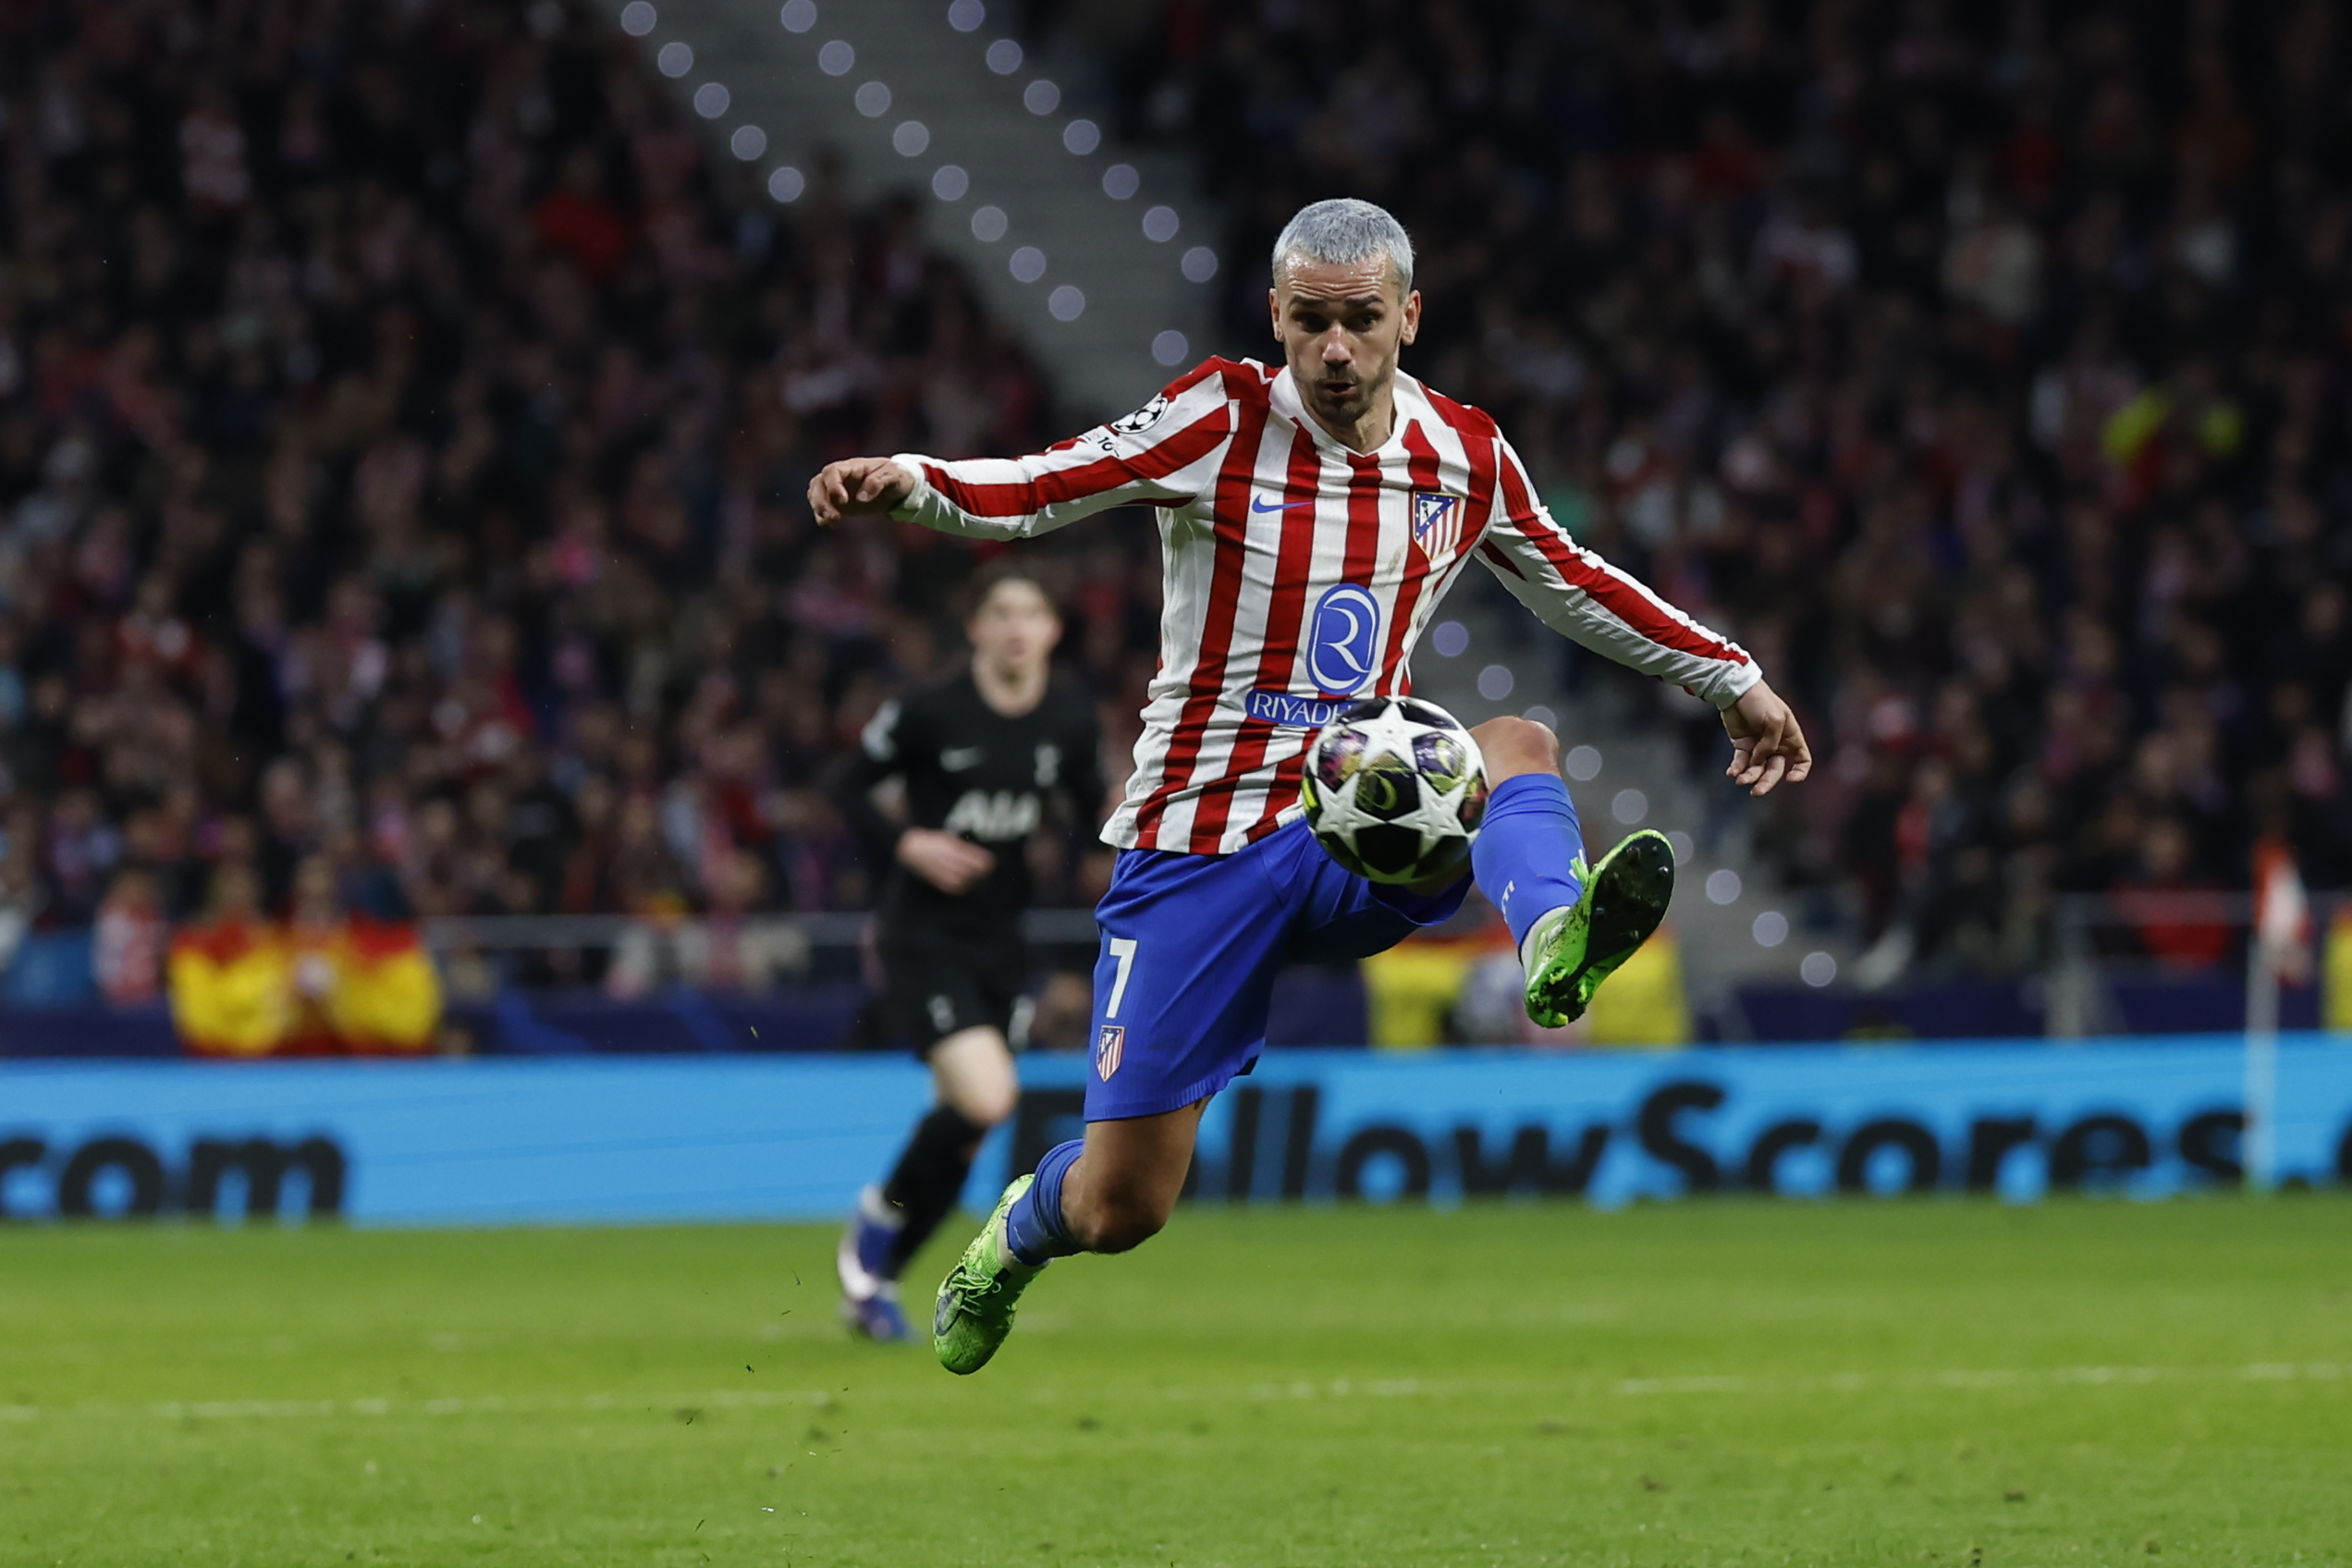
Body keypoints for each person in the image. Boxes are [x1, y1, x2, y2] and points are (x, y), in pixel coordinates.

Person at [807, 198, 1812, 1374]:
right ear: (1276, 316)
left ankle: (1552, 942)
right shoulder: (1219, 418)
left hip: (1359, 820)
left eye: (1363, 321)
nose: (1337, 350)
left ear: (1410, 317)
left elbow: (1573, 579)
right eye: (1313, 322)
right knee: (1123, 1206)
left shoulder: (1464, 453)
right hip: (1195, 848)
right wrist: (912, 481)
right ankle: (1013, 1239)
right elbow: (1047, 483)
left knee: (1515, 741)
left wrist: (1729, 674)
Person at [827, 571, 1107, 1341]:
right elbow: (847, 786)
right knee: (987, 1098)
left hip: (1000, 942)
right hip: (923, 934)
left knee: (969, 1127)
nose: (1017, 627)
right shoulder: (931, 710)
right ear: (977, 628)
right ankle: (875, 1223)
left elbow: (1091, 814)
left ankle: (875, 1279)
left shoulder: (1069, 717)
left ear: (1053, 630)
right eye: (1001, 613)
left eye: (1032, 613)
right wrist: (908, 843)